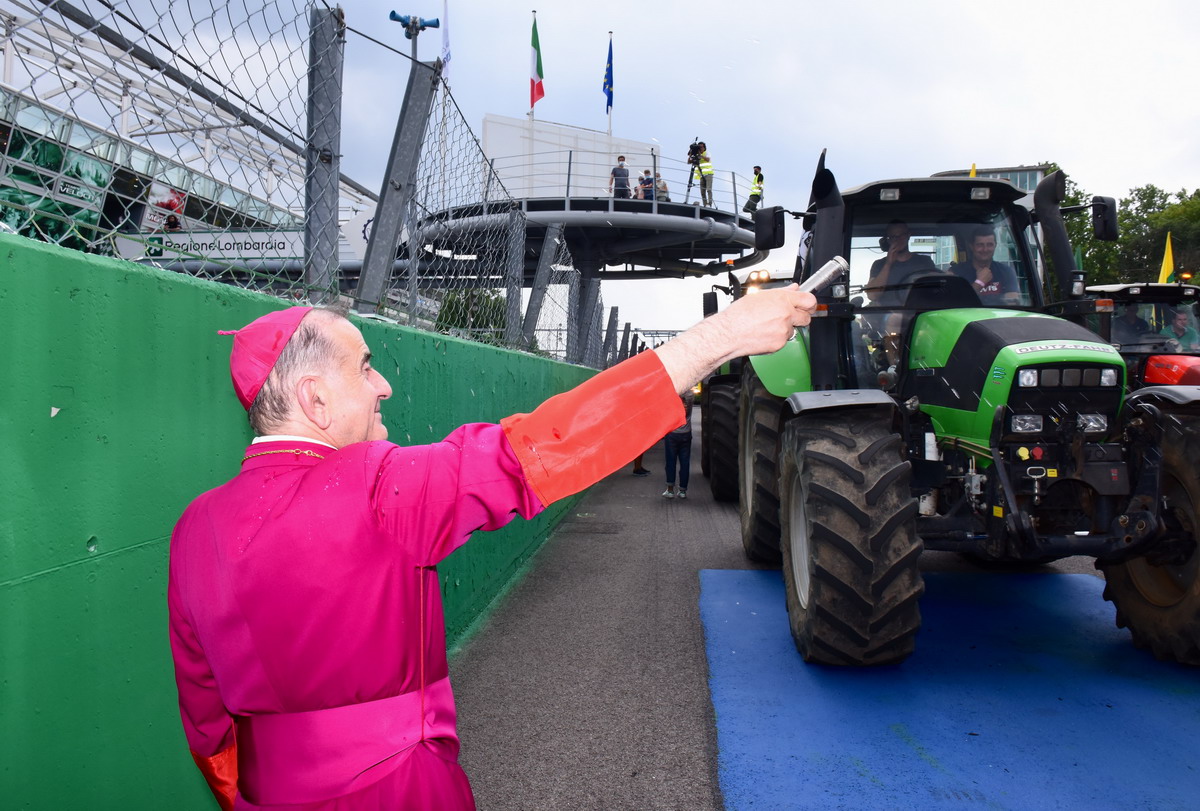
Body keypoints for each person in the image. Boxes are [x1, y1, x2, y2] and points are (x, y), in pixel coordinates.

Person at [169, 286, 817, 810]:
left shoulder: (194, 528)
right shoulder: (379, 484)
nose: (382, 385)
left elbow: (208, 728)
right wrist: (726, 333)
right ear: (315, 398)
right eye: (364, 367)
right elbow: (546, 445)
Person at [865, 220, 939, 306]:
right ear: (888, 240)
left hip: (918, 309)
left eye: (902, 235)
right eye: (893, 237)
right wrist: (888, 264)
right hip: (887, 311)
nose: (898, 239)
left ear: (908, 235)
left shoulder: (924, 261)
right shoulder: (879, 264)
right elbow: (872, 295)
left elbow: (935, 288)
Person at [949, 226, 1020, 304]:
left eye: (989, 245)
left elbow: (1013, 303)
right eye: (980, 245)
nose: (985, 249)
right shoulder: (955, 273)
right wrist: (979, 283)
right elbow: (953, 304)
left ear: (995, 245)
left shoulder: (1006, 272)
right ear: (971, 246)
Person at [662, 391, 694, 498]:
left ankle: (670, 490)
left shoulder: (670, 394)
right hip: (686, 433)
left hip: (672, 433)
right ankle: (683, 491)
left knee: (670, 462)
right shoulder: (690, 395)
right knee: (685, 463)